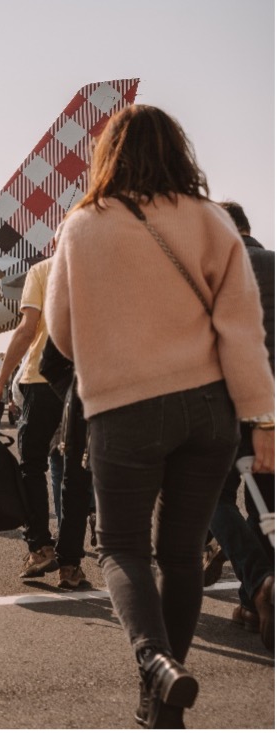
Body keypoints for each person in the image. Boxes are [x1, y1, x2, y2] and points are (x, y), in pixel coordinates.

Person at [44, 105, 274, 728]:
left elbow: (61, 335)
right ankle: (160, 710)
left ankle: (154, 662)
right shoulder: (212, 222)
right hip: (207, 411)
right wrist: (262, 421)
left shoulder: (83, 226)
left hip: (124, 409)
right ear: (180, 150)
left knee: (121, 548)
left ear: (107, 155)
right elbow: (241, 331)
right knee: (179, 553)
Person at [205, 201, 275, 650]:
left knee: (213, 496)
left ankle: (258, 582)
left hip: (224, 399)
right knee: (266, 504)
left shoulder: (212, 271)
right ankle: (256, 602)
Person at [0, 258, 65, 579]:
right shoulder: (99, 266)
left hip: (42, 378)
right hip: (88, 378)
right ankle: (70, 562)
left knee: (32, 466)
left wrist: (1, 380)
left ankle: (40, 548)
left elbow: (27, 328)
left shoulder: (43, 270)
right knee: (77, 469)